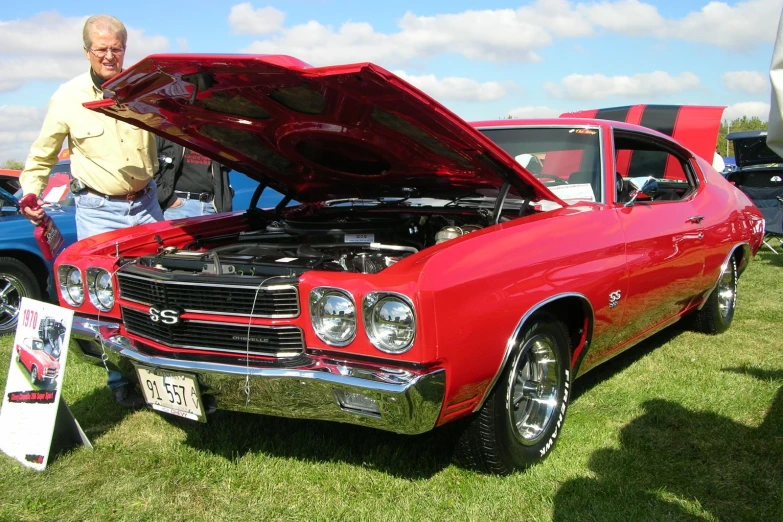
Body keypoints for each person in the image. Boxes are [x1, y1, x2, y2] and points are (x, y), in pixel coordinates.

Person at [19, 14, 163, 408]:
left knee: (158, 289)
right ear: (87, 51)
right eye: (101, 49)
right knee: (105, 296)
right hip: (99, 210)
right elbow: (41, 156)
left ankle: (165, 368)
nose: (109, 56)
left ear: (125, 49)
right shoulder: (67, 96)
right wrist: (30, 193)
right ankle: (121, 380)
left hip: (148, 205)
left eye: (116, 48)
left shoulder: (144, 89)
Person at [154, 136, 232, 218]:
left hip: (212, 207)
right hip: (178, 207)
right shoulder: (167, 131)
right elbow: (148, 167)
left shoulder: (213, 132)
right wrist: (169, 200)